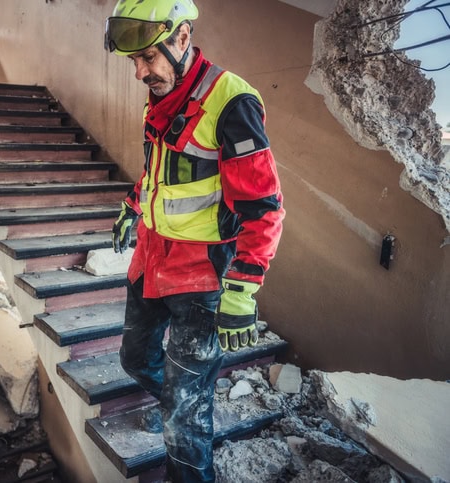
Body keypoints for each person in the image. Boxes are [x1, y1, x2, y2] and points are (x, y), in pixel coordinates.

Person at [105, 1, 285, 481]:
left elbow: (263, 208)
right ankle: (178, 402)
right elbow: (162, 171)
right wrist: (131, 204)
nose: (141, 71)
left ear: (182, 37)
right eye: (134, 62)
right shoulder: (163, 93)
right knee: (134, 359)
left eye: (147, 58)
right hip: (151, 260)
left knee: (185, 422)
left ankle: (185, 422)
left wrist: (243, 287)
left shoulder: (231, 102)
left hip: (202, 278)